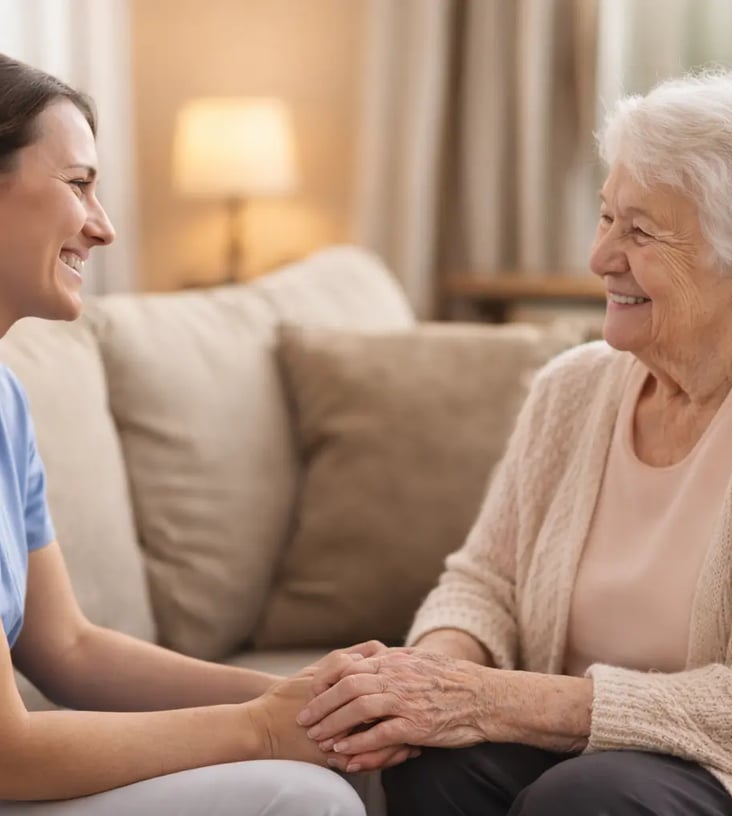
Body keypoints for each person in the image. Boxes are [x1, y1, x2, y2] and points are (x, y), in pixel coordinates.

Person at [297, 69, 732, 816]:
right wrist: (427, 682)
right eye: (606, 217)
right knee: (433, 764)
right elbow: (484, 583)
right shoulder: (572, 390)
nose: (601, 257)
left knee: (587, 797)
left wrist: (498, 700)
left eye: (641, 232)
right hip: (576, 751)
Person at [0, 52, 420, 815]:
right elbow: (8, 753)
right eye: (79, 184)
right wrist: (261, 729)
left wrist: (306, 696)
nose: (104, 226)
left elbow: (67, 649)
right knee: (303, 798)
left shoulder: (6, 401)